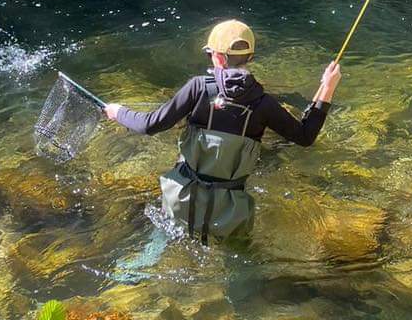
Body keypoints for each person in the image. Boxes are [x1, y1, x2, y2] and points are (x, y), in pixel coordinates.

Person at [104, 20, 341, 243]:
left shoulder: (197, 88)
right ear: (250, 57)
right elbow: (305, 136)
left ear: (217, 57)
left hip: (182, 200)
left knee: (161, 244)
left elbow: (150, 125)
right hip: (231, 214)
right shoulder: (263, 104)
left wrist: (119, 112)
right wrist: (327, 88)